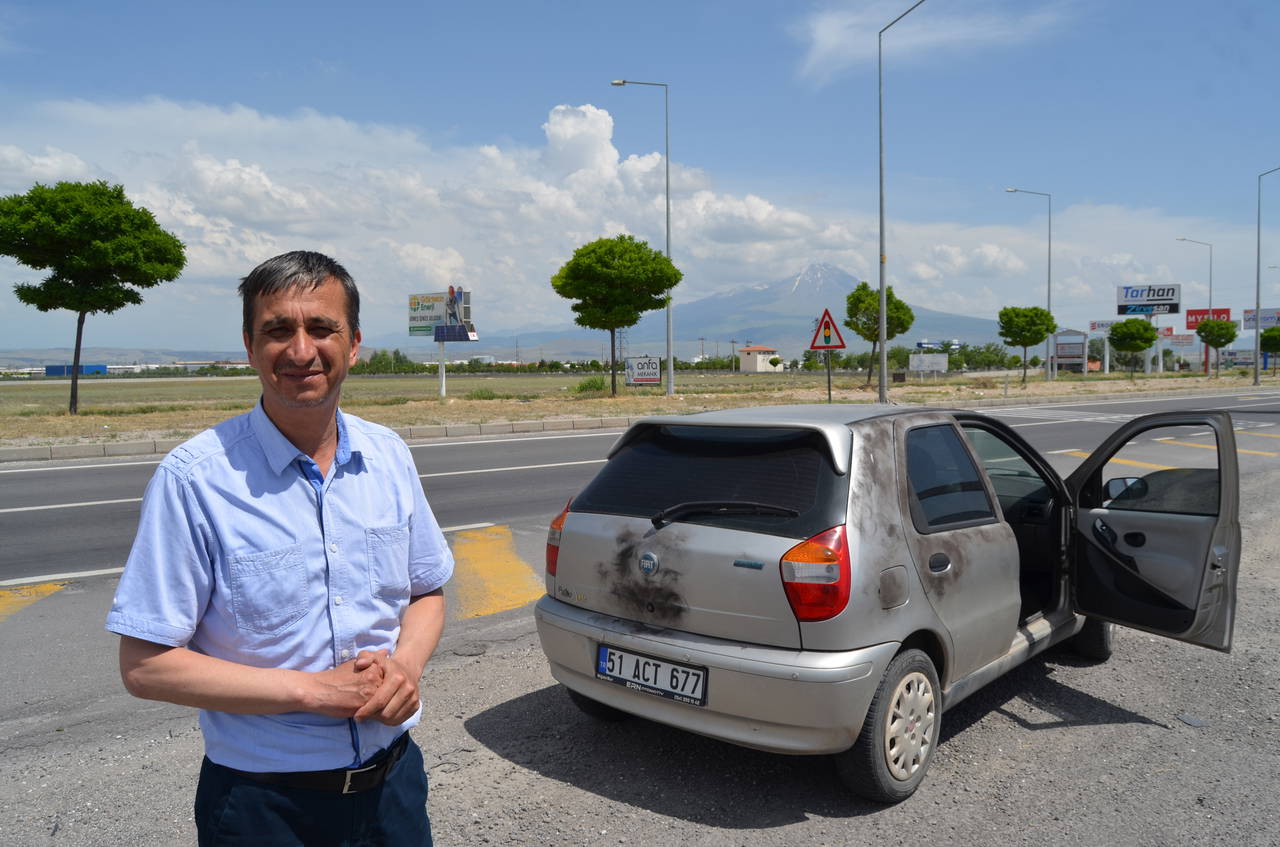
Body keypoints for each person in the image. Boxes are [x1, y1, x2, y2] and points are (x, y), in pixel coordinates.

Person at [106, 250, 453, 846]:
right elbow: (145, 665)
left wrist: (406, 667)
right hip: (264, 807)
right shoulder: (195, 479)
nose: (300, 350)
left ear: (354, 343)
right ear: (249, 346)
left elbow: (426, 590)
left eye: (321, 327)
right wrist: (315, 692)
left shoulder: (389, 455)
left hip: (393, 789)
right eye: (277, 330)